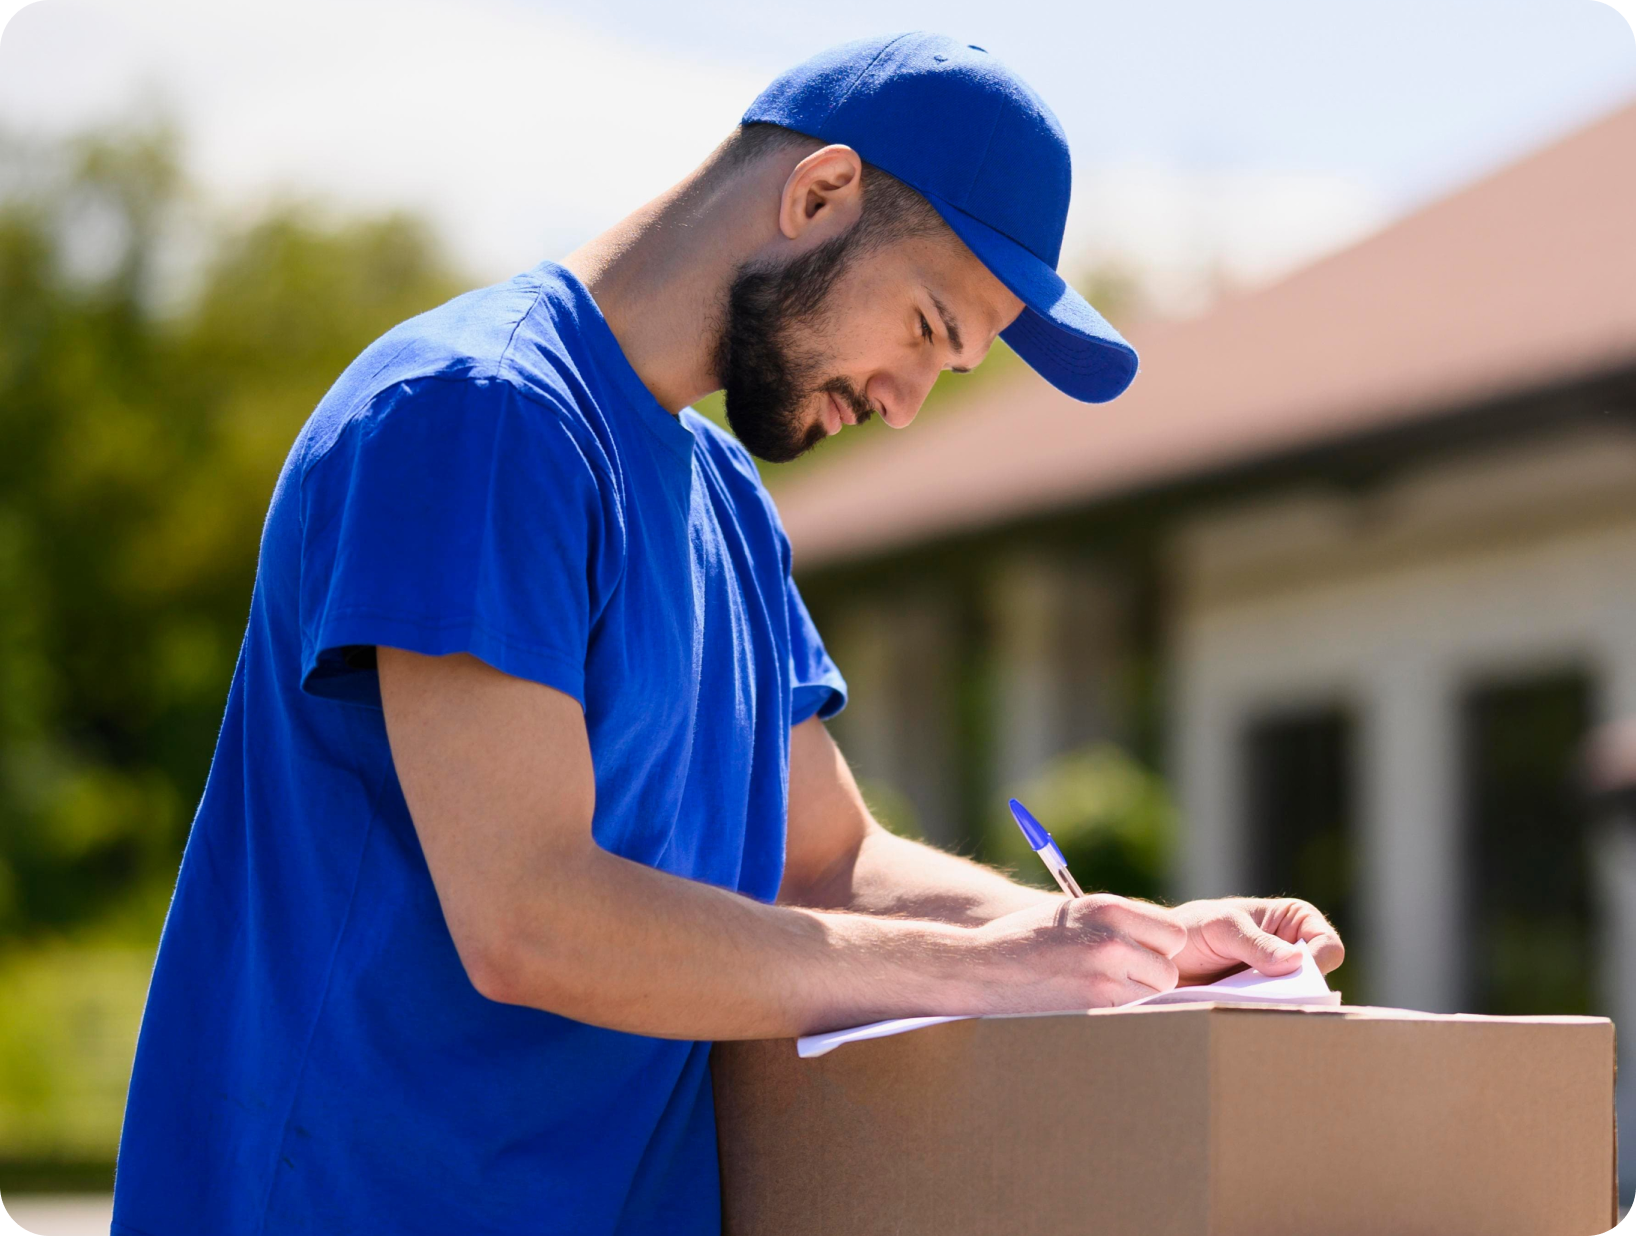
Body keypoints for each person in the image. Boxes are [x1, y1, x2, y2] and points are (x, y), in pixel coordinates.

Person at [112, 32, 1344, 1236]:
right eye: (925, 327)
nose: (906, 408)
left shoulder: (721, 500)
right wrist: (991, 970)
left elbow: (828, 865)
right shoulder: (479, 419)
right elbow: (530, 918)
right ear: (818, 194)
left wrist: (1133, 944)